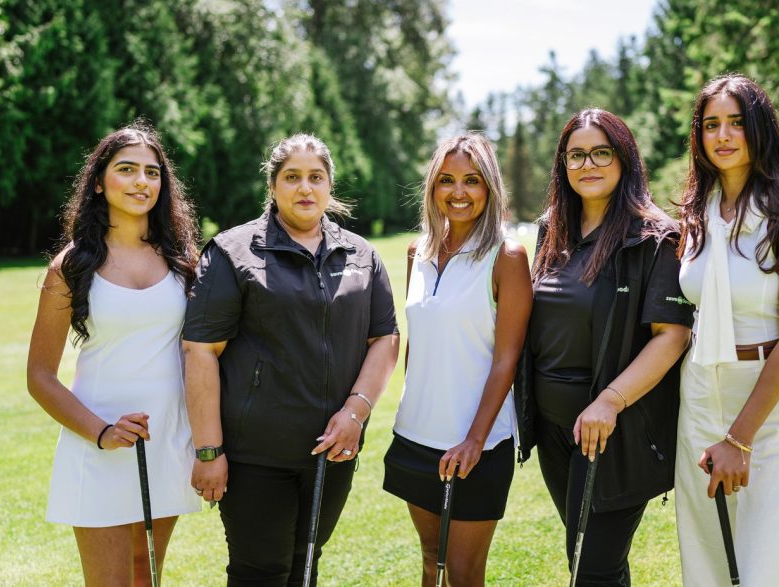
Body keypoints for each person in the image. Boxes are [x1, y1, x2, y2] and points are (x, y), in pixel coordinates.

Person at [182, 133, 400, 586]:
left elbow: (384, 338)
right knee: (261, 573)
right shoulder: (232, 253)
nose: (305, 188)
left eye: (316, 177)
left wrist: (355, 413)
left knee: (305, 566)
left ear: (330, 186)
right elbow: (200, 352)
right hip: (256, 455)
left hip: (332, 450)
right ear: (273, 186)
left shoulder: (362, 255)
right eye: (292, 177)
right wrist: (209, 450)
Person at [514, 109, 693, 585]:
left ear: (624, 159)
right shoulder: (552, 230)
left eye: (600, 153)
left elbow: (672, 335)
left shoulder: (655, 238)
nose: (587, 164)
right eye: (576, 155)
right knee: (590, 562)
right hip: (554, 429)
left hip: (614, 431)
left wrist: (610, 402)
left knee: (592, 568)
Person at [27, 122, 202, 585]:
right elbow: (39, 376)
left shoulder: (184, 261)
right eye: (126, 169)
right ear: (99, 183)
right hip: (97, 444)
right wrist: (102, 432)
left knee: (148, 575)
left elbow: (202, 356)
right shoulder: (70, 266)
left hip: (167, 442)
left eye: (152, 172)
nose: (141, 181)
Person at [675, 74, 779, 586]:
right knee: (707, 563)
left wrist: (739, 439)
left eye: (736, 123)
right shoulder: (695, 213)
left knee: (766, 567)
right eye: (711, 125)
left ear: (759, 128)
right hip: (703, 394)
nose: (722, 136)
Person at [383, 135, 532, 586]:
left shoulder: (507, 257)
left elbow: (507, 359)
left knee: (464, 573)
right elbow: (418, 342)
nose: (459, 192)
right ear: (432, 187)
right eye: (446, 180)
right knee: (432, 562)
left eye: (472, 180)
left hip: (477, 446)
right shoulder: (419, 252)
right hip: (415, 436)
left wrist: (474, 440)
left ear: (490, 187)